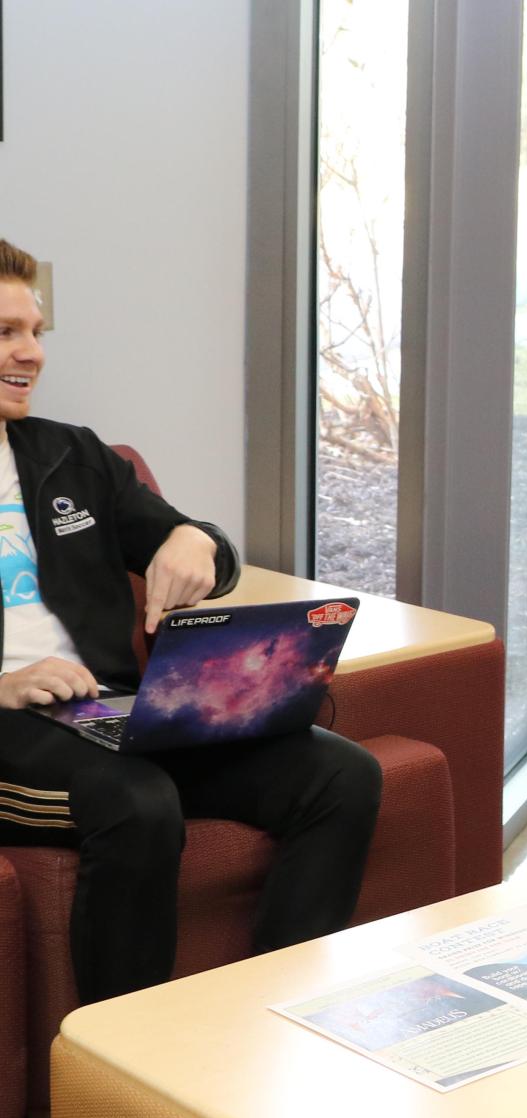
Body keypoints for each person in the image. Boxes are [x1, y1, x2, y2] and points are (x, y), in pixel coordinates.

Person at [0, 238, 382, 1003]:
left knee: (341, 774)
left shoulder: (69, 455)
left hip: (110, 709)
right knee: (137, 798)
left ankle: (281, 1010)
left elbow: (206, 546)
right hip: (11, 722)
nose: (33, 352)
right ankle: (125, 1061)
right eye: (7, 332)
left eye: (37, 330)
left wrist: (193, 539)